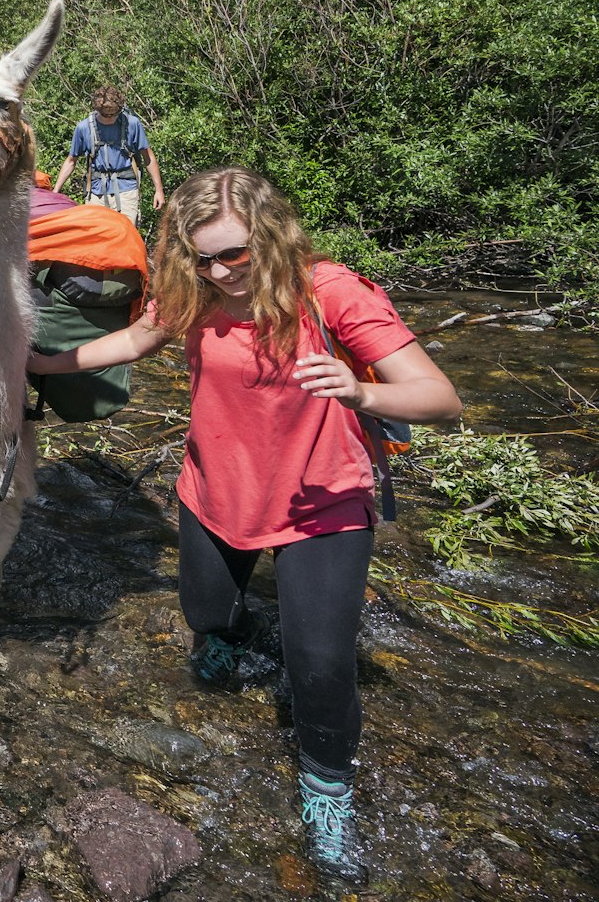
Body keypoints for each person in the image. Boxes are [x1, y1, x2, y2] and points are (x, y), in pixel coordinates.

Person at [28, 168, 460, 882]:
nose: (219, 270)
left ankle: (327, 788)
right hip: (215, 492)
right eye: (201, 258)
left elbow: (442, 399)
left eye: (234, 254)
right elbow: (138, 339)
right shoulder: (193, 293)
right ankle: (234, 628)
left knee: (319, 667)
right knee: (206, 617)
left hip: (322, 503)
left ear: (271, 237)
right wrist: (44, 360)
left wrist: (361, 389)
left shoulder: (331, 294)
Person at [55, 86, 164, 223]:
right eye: (105, 115)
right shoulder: (84, 128)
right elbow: (71, 161)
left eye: (113, 114)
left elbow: (148, 157)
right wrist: (55, 192)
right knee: (97, 237)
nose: (109, 118)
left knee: (126, 235)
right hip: (96, 191)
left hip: (126, 189)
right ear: (97, 110)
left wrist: (158, 190)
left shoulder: (131, 124)